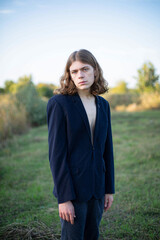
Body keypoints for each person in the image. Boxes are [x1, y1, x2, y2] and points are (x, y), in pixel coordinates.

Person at [47, 49, 115, 240]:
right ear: (69, 75)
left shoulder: (103, 104)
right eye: (74, 71)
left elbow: (106, 149)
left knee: (93, 235)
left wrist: (109, 188)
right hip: (73, 190)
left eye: (85, 69)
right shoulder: (59, 103)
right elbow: (56, 155)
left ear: (95, 71)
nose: (80, 75)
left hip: (97, 187)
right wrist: (64, 198)